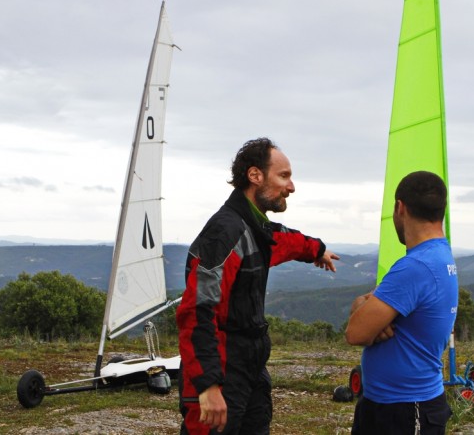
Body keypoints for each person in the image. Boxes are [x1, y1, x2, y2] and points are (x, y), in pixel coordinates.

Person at [176, 138, 339, 434]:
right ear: (255, 176)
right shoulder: (225, 232)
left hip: (250, 367)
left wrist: (318, 250)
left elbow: (285, 241)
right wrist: (208, 385)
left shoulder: (255, 228)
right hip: (223, 369)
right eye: (284, 176)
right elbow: (197, 312)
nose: (291, 187)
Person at [344, 171, 457, 435]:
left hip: (403, 410)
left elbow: (355, 332)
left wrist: (365, 311)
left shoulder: (415, 266)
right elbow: (366, 313)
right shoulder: (439, 255)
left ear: (400, 208)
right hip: (397, 404)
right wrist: (366, 308)